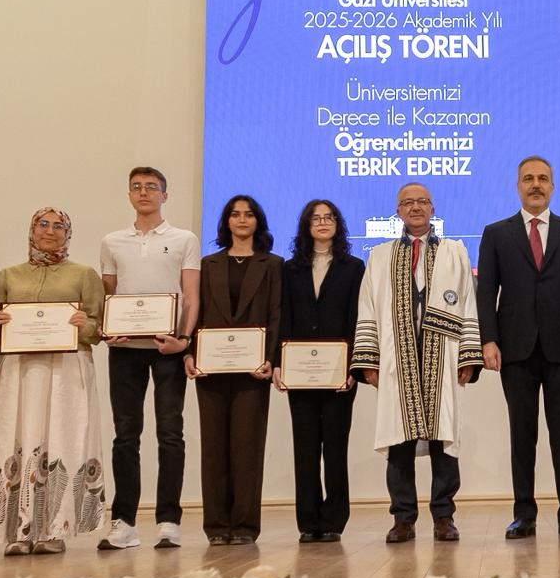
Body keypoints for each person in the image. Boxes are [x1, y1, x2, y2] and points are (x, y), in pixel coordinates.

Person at [0, 208, 106, 555]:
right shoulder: (8, 275)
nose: (50, 231)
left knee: (60, 437)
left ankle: (53, 530)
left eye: (59, 226)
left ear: (68, 233)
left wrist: (80, 324)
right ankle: (16, 530)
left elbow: (99, 329)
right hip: (18, 370)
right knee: (16, 435)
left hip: (67, 370)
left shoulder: (85, 275)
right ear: (31, 229)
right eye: (43, 224)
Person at [351, 182, 483, 543]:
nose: (415, 208)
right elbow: (367, 308)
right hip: (398, 356)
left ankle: (443, 516)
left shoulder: (455, 252)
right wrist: (369, 358)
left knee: (444, 437)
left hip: (443, 352)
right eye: (407, 203)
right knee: (399, 439)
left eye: (422, 202)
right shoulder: (379, 256)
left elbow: (469, 303)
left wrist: (469, 354)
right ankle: (403, 518)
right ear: (398, 212)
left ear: (433, 209)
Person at [477, 156, 560, 539]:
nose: (536, 184)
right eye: (528, 178)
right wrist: (488, 340)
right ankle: (523, 515)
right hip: (515, 349)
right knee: (522, 434)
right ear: (517, 186)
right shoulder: (496, 233)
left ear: (553, 186)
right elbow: (486, 293)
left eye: (543, 178)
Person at [98, 167, 201, 552]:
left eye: (152, 187)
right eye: (137, 187)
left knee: (170, 434)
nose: (144, 193)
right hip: (124, 351)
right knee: (126, 436)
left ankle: (168, 521)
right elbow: (107, 296)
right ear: (129, 194)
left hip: (168, 350)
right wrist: (110, 329)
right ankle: (123, 522)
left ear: (165, 195)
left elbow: (191, 294)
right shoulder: (112, 241)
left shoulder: (183, 239)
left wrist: (184, 340)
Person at [186, 195, 283, 546]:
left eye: (249, 214)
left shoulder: (272, 264)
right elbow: (196, 313)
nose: (242, 220)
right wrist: (190, 352)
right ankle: (216, 526)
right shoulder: (207, 264)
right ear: (226, 222)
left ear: (258, 222)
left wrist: (270, 359)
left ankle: (243, 526)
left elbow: (275, 315)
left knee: (247, 449)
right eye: (235, 214)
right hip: (210, 369)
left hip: (253, 371)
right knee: (213, 449)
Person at [277, 198, 364, 543]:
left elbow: (358, 319)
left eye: (329, 217)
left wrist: (354, 365)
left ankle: (333, 520)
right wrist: (280, 361)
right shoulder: (290, 269)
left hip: (339, 373)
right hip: (299, 370)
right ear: (306, 226)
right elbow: (284, 316)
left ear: (338, 224)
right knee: (305, 447)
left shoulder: (354, 267)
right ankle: (308, 521)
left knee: (335, 447)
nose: (323, 222)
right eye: (316, 218)